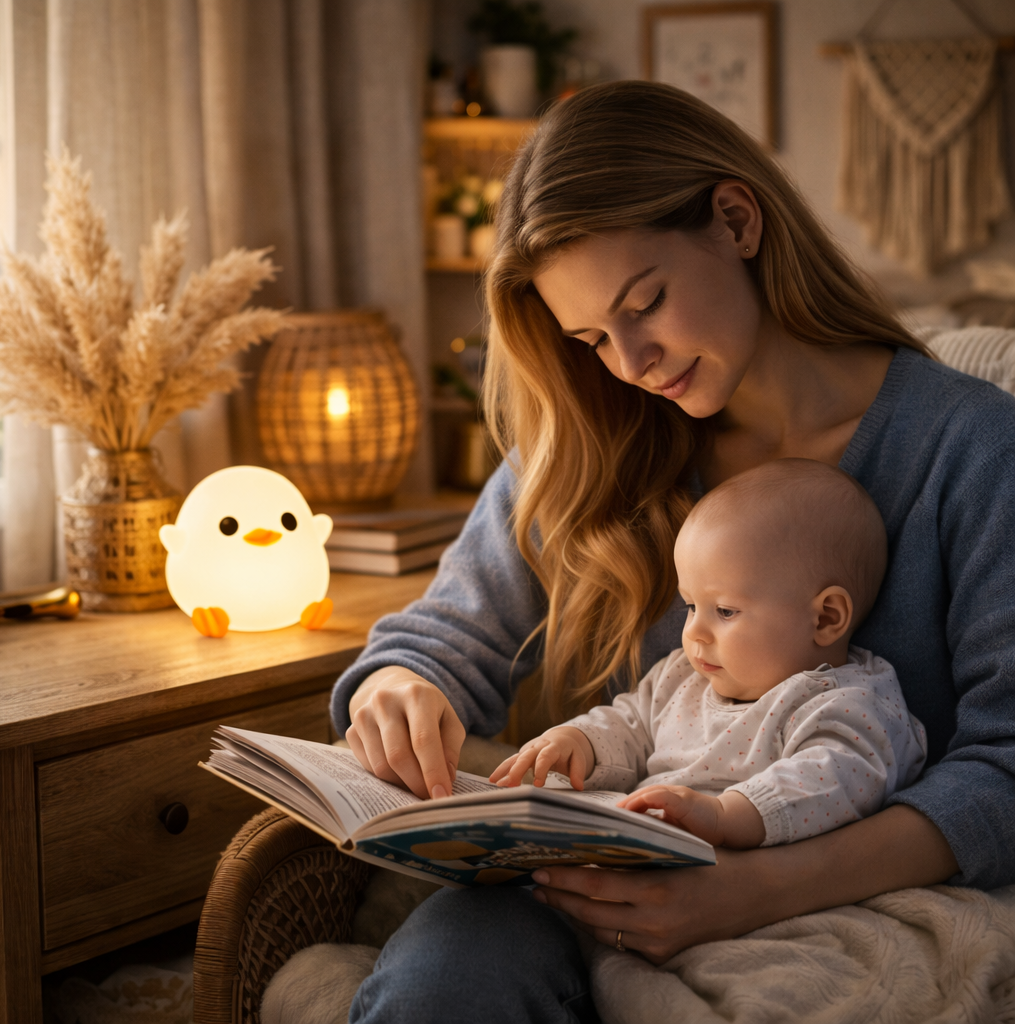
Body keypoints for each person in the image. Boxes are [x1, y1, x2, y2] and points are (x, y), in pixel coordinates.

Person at [334, 81, 1015, 1024]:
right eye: (590, 338)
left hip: (847, 900)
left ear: (737, 220)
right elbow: (440, 641)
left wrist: (753, 886)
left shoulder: (973, 449)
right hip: (581, 886)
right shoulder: (592, 441)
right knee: (441, 989)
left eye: (645, 303)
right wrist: (396, 687)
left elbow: (1005, 770)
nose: (631, 363)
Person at [490, 459, 928, 855]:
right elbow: (629, 724)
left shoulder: (845, 703)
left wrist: (723, 816)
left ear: (826, 618)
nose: (694, 632)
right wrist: (578, 743)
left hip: (741, 877)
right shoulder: (683, 677)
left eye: (725, 611)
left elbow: (836, 779)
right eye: (690, 606)